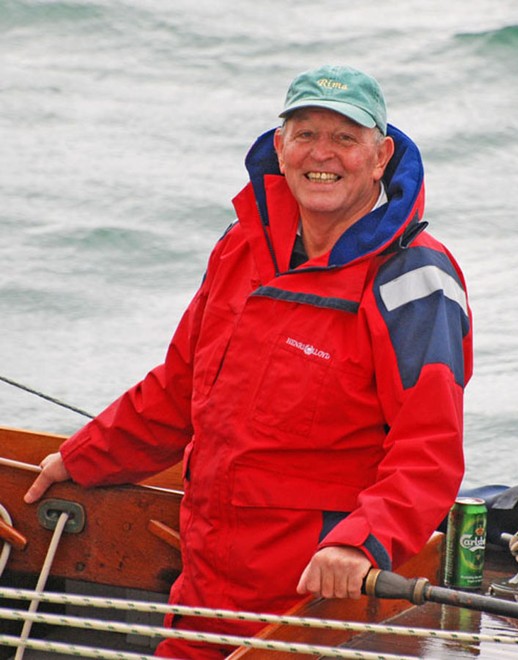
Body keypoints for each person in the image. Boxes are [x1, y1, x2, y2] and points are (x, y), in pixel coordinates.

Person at [25, 64, 473, 658]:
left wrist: (361, 545)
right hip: (203, 586)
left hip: (310, 606)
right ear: (280, 146)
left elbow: (430, 450)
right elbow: (177, 389)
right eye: (306, 133)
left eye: (346, 138)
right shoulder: (240, 246)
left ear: (381, 155)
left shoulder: (415, 280)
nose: (323, 154)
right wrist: (82, 457)